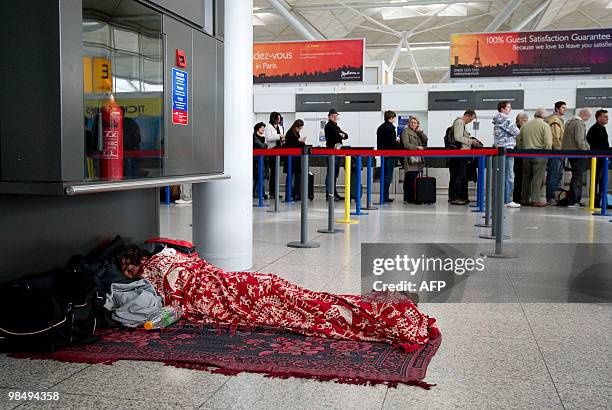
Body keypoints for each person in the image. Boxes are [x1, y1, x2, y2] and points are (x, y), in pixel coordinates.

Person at [113, 245, 442, 353]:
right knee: (314, 301)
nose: (129, 275)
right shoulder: (174, 254)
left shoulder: (155, 271)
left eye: (127, 269)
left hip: (242, 299)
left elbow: (178, 301)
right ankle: (387, 305)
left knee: (314, 313)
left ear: (135, 262)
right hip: (251, 284)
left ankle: (393, 316)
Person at [517, 108, 553, 207]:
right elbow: (548, 143)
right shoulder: (545, 126)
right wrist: (547, 153)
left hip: (526, 154)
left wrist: (522, 150)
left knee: (526, 177)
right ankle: (535, 199)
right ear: (544, 117)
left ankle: (524, 199)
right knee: (537, 178)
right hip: (540, 154)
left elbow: (519, 139)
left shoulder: (526, 125)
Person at [562, 107, 592, 207]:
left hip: (571, 152)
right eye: (588, 116)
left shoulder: (570, 122)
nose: (588, 119)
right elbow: (580, 140)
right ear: (584, 115)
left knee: (576, 176)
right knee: (577, 177)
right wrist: (586, 152)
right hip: (578, 153)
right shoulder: (578, 123)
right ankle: (574, 200)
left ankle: (574, 199)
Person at [448, 110, 480, 205]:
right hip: (460, 153)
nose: (470, 121)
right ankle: (455, 197)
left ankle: (456, 196)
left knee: (458, 175)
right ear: (467, 115)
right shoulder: (459, 122)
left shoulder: (461, 123)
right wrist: (471, 142)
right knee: (459, 176)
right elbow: (458, 137)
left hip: (462, 154)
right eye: (471, 119)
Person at [493, 101, 521, 208]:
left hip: (499, 149)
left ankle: (502, 199)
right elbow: (517, 132)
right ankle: (507, 200)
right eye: (508, 107)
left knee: (502, 175)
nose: (510, 109)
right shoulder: (506, 120)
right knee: (509, 176)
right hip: (507, 149)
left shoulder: (497, 120)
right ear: (502, 108)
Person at [400, 116, 428, 203]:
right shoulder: (406, 131)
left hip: (417, 158)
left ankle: (411, 196)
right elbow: (406, 144)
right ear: (409, 123)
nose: (413, 124)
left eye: (415, 123)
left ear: (417, 124)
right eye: (411, 122)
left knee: (413, 177)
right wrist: (417, 148)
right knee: (410, 178)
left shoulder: (417, 132)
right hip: (409, 158)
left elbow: (425, 139)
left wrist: (420, 132)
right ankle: (409, 197)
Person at [586, 109, 610, 206]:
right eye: (605, 116)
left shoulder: (602, 128)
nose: (607, 118)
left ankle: (600, 200)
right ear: (598, 118)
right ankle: (595, 201)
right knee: (596, 180)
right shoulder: (595, 129)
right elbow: (592, 143)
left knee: (602, 180)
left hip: (603, 158)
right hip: (598, 159)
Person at [324, 109, 349, 200]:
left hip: (337, 152)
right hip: (331, 152)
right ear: (329, 116)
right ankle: (329, 194)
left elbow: (346, 135)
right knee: (331, 173)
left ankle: (334, 193)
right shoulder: (329, 126)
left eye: (336, 115)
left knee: (335, 174)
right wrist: (341, 135)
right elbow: (337, 136)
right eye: (333, 116)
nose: (335, 117)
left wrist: (341, 134)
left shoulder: (336, 126)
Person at [546, 101, 567, 205]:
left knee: (557, 175)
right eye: (563, 108)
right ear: (557, 109)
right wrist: (560, 153)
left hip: (558, 151)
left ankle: (554, 196)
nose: (565, 109)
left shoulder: (559, 120)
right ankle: (550, 197)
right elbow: (556, 138)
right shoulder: (554, 121)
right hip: (556, 152)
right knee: (554, 175)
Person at [377, 111, 400, 203]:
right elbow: (392, 143)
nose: (394, 120)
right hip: (390, 154)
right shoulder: (390, 129)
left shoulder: (380, 128)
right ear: (391, 118)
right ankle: (384, 197)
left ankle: (383, 196)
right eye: (394, 118)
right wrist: (397, 141)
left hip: (382, 154)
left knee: (383, 174)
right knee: (388, 175)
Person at [283, 119, 307, 201]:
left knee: (292, 177)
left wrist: (300, 141)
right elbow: (292, 145)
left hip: (294, 159)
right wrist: (299, 141)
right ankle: (289, 195)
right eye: (299, 128)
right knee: (291, 178)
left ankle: (292, 195)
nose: (300, 129)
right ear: (296, 126)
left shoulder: (295, 133)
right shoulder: (290, 133)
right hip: (291, 159)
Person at [264, 112, 285, 199]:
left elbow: (281, 137)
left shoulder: (280, 127)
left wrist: (282, 138)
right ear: (274, 118)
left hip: (279, 149)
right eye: (278, 118)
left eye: (280, 118)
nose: (279, 120)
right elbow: (269, 138)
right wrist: (279, 136)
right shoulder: (268, 127)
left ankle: (275, 191)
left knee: (276, 172)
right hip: (272, 150)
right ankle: (272, 192)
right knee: (273, 172)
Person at [512, 113, 530, 205]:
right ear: (519, 121)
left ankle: (521, 197)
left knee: (522, 177)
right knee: (519, 177)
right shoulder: (517, 130)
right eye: (524, 120)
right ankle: (517, 198)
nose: (526, 122)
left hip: (521, 155)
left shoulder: (524, 129)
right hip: (518, 156)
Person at [253, 122, 268, 199]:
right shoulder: (254, 137)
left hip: (262, 159)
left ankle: (261, 192)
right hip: (257, 159)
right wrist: (265, 145)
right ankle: (257, 192)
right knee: (259, 175)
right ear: (258, 128)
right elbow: (262, 146)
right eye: (262, 128)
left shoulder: (261, 137)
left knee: (263, 175)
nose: (263, 130)